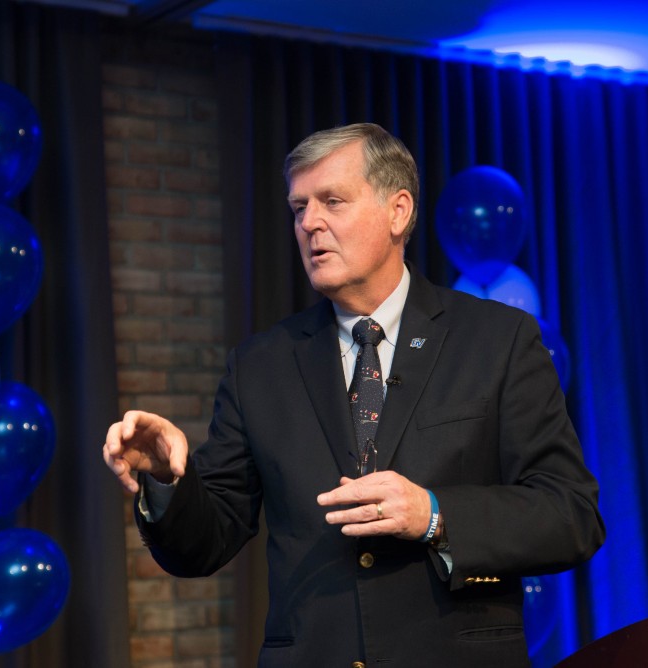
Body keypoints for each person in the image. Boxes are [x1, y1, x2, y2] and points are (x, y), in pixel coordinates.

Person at [103, 122, 604, 667]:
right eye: (298, 208)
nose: (309, 223)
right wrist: (166, 479)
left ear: (398, 212)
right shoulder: (261, 366)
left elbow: (570, 513)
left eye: (332, 201)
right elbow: (204, 542)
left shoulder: (499, 341)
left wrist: (433, 514)